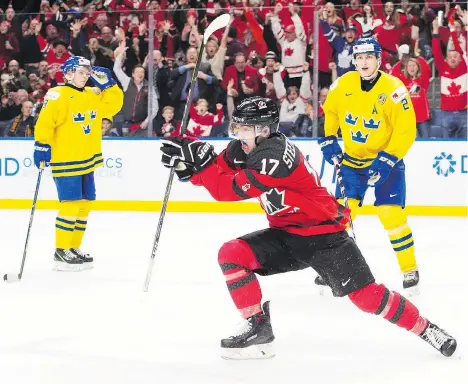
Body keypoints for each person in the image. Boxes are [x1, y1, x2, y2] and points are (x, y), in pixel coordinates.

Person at [159, 96, 456, 360]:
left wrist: (204, 166)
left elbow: (227, 190)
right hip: (287, 236)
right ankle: (258, 328)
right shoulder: (245, 147)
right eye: (237, 128)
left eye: (243, 129)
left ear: (263, 130)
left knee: (367, 297)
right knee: (232, 253)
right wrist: (191, 165)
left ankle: (425, 328)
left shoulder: (274, 157)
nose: (238, 135)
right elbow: (220, 169)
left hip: (326, 238)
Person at [318, 38, 420, 295]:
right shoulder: (343, 84)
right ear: (354, 61)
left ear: (378, 59)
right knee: (342, 216)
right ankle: (334, 269)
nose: (364, 62)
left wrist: (387, 159)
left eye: (369, 57)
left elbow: (406, 130)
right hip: (352, 162)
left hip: (387, 162)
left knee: (390, 214)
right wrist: (329, 138)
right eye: (359, 58)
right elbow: (330, 111)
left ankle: (409, 268)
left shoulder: (394, 89)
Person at [33, 56, 123, 271]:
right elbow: (45, 122)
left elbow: (115, 105)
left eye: (87, 73)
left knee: (85, 204)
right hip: (66, 159)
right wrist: (41, 144)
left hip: (87, 159)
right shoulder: (58, 94)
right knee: (70, 204)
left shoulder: (93, 94)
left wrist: (110, 85)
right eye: (82, 72)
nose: (86, 76)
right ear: (69, 73)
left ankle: (73, 248)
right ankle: (61, 251)